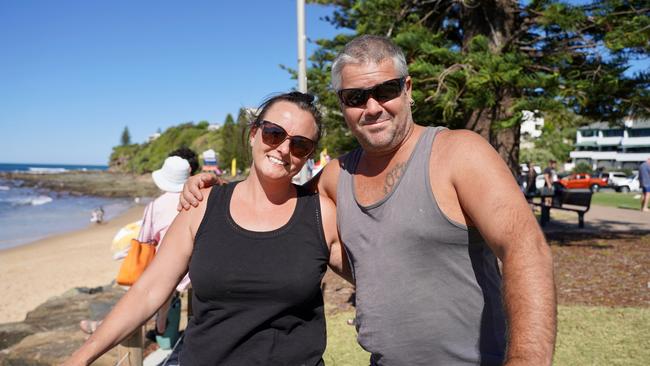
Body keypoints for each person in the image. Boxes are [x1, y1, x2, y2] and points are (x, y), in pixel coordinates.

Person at [181, 35, 556, 365]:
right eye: (356, 97)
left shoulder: (458, 154)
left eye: (387, 90)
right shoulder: (334, 177)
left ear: (408, 89)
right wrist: (217, 189)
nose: (373, 107)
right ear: (343, 105)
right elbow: (272, 207)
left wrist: (525, 359)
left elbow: (525, 249)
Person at [64, 92, 349, 365]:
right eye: (274, 133)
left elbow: (373, 280)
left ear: (309, 155)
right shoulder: (202, 206)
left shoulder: (320, 215)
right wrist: (81, 357)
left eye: (300, 145)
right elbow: (148, 291)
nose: (284, 149)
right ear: (253, 134)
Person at [80, 149, 198, 341]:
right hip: (195, 269)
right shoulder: (198, 200)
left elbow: (144, 240)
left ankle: (103, 328)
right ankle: (162, 317)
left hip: (170, 270)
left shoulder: (155, 206)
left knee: (143, 290)